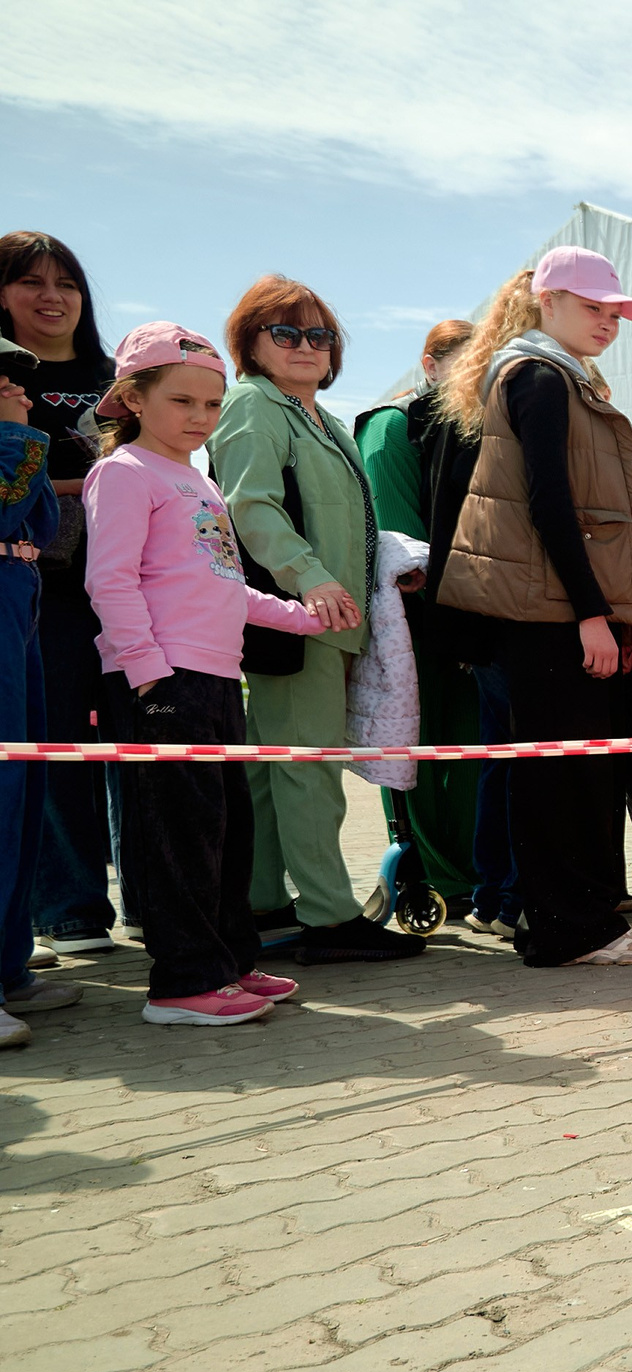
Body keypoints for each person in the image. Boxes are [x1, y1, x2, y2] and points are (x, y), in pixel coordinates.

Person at [82, 324, 353, 1024]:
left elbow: (221, 583)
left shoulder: (197, 479)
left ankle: (231, 963)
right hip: (163, 682)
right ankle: (181, 984)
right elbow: (109, 581)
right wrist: (146, 672)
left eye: (211, 404)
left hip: (214, 678)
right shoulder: (124, 473)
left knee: (227, 832)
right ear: (133, 399)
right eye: (182, 401)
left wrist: (302, 617)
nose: (200, 418)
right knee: (177, 837)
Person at [436, 246, 632, 968]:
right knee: (559, 774)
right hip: (547, 616)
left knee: (577, 770)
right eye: (592, 307)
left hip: (554, 611)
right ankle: (570, 930)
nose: (607, 322)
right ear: (548, 301)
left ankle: (582, 917)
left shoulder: (556, 375)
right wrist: (591, 614)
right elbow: (551, 506)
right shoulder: (537, 376)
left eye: (615, 312)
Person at [209, 275, 423, 966]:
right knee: (307, 766)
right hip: (295, 615)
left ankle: (264, 902)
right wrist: (313, 579)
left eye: (320, 334)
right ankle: (330, 918)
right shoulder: (252, 405)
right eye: (286, 332)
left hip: (328, 617)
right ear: (250, 343)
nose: (306, 346)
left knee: (280, 766)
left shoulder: (321, 419)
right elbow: (252, 507)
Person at [4, 232, 121, 958]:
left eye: (67, 284)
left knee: (142, 746)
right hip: (40, 587)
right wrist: (93, 485)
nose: (53, 297)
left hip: (131, 583)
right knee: (56, 751)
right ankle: (71, 913)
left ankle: (154, 903)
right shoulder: (3, 384)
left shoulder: (117, 375)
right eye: (31, 282)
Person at [354, 317, 482, 917]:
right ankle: (434, 873)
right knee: (425, 753)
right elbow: (398, 542)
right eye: (464, 364)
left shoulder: (474, 427)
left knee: (470, 749)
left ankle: (469, 872)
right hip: (418, 621)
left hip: (471, 618)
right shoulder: (393, 425)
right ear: (429, 365)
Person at [0, 336, 66, 1043]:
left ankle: (9, 964)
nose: (18, 391)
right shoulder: (9, 437)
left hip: (20, 601)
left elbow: (38, 525)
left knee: (24, 783)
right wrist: (13, 436)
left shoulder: (15, 436)